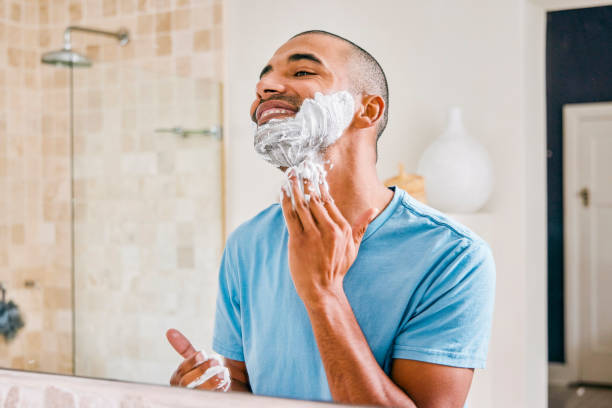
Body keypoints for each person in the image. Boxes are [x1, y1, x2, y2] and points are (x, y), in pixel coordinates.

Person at [167, 30, 495, 407]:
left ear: (368, 110)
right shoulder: (248, 243)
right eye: (264, 77)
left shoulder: (452, 256)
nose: (264, 86)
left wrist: (323, 293)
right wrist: (213, 391)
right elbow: (242, 384)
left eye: (303, 72)